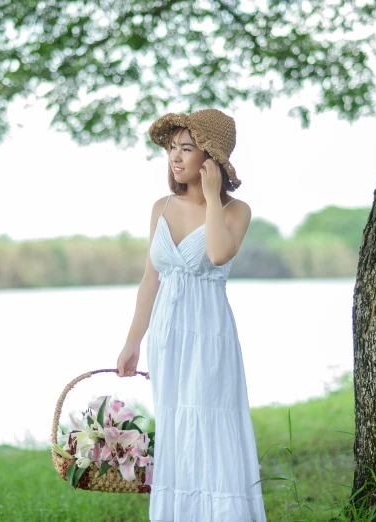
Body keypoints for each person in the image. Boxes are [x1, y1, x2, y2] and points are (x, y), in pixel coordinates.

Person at [116, 109, 267, 522]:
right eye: (171, 149)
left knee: (213, 423)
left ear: (211, 157)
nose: (175, 158)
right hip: (168, 335)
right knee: (178, 427)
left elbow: (217, 252)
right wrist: (133, 340)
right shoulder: (161, 206)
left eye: (186, 148)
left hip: (209, 333)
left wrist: (213, 196)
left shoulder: (237, 211)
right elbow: (151, 279)